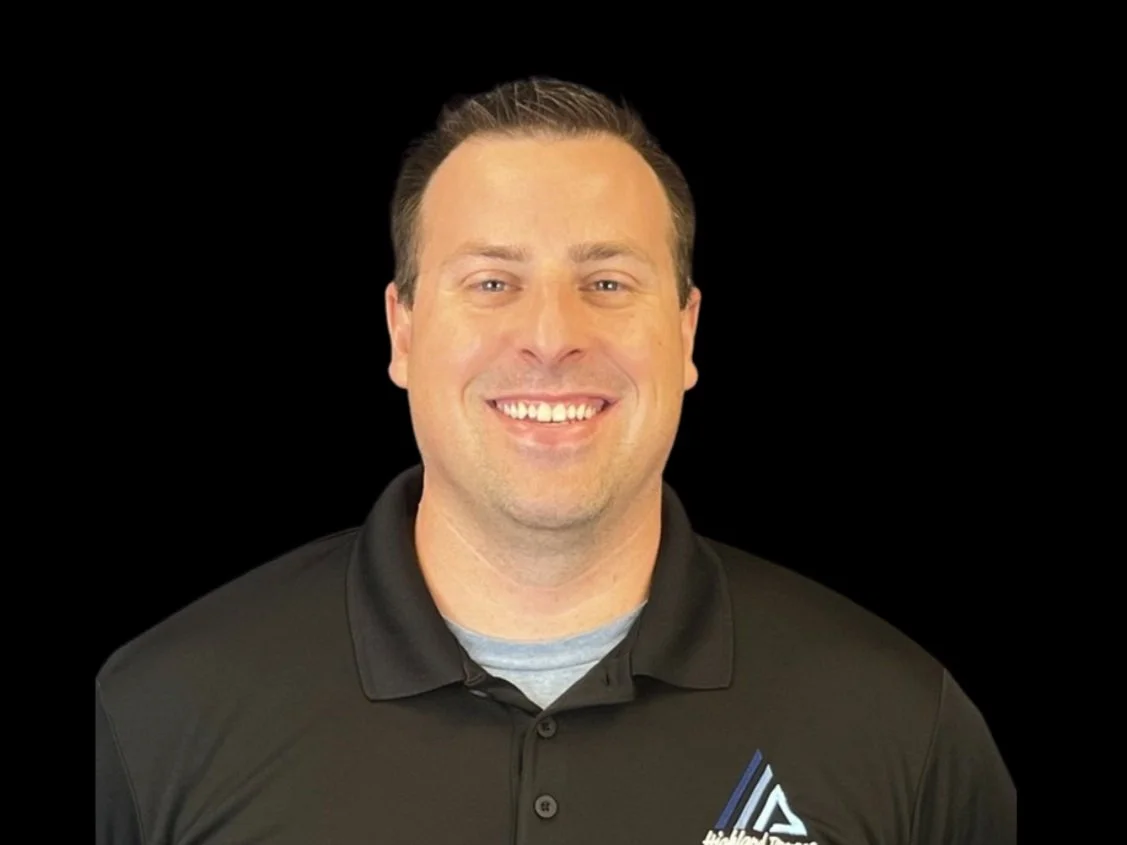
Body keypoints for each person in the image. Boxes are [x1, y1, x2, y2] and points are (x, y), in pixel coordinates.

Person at [95, 78, 1015, 844]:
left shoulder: (902, 727)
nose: (550, 337)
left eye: (606, 282)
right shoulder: (155, 716)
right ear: (402, 331)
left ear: (686, 332)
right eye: (492, 282)